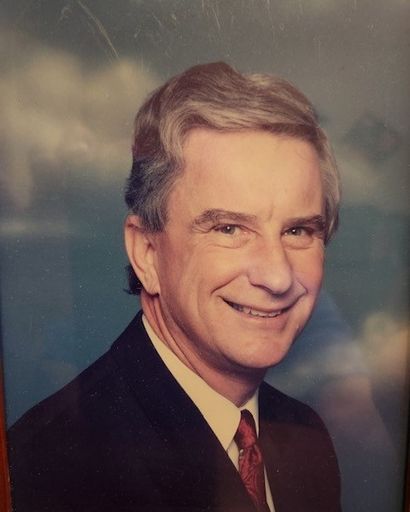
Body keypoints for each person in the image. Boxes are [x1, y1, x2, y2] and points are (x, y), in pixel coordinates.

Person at [8, 62, 341, 512]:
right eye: (228, 228)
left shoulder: (306, 437)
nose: (278, 276)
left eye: (298, 231)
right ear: (146, 252)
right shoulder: (49, 467)